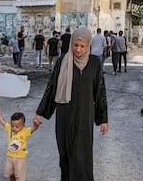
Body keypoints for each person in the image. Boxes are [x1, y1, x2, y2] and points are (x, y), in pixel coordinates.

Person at [34, 27, 108, 181]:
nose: (78, 49)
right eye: (75, 45)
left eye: (82, 46)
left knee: (83, 154)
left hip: (85, 115)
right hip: (65, 115)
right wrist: (40, 112)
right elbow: (52, 87)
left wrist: (103, 118)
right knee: (65, 153)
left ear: (88, 46)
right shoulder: (63, 61)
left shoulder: (94, 63)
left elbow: (100, 91)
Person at [0, 112, 41, 181]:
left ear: (23, 125)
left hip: (20, 158)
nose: (14, 128)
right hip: (10, 156)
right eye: (12, 125)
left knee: (20, 176)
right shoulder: (9, 128)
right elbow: (3, 122)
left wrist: (36, 125)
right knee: (11, 173)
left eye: (17, 126)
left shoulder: (25, 131)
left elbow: (33, 128)